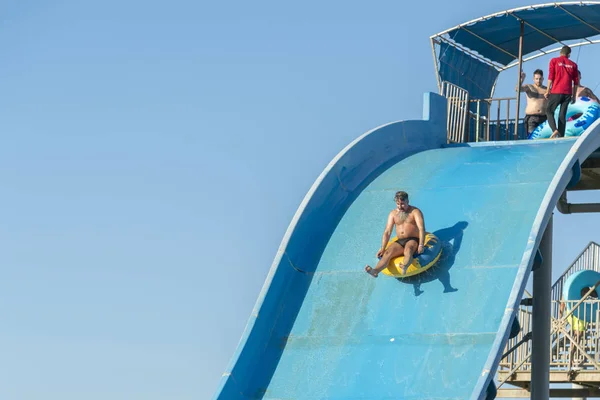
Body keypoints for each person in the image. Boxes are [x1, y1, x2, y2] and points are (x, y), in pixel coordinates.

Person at [365, 191, 425, 277]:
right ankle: (375, 271)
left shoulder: (415, 212)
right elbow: (387, 232)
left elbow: (421, 228)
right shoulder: (393, 214)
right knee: (387, 253)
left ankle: (404, 266)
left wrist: (421, 245)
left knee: (408, 250)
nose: (400, 207)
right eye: (398, 204)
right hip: (400, 241)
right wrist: (383, 248)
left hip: (413, 239)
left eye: (402, 204)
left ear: (408, 201)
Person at [559, 287, 598, 371]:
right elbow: (562, 303)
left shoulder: (570, 289)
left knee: (577, 335)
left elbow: (562, 303)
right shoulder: (573, 289)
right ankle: (572, 355)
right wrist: (561, 318)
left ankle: (573, 354)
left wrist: (561, 317)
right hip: (577, 314)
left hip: (575, 313)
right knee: (578, 336)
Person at [545, 45, 580, 139]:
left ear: (560, 52)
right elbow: (576, 82)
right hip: (567, 93)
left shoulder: (554, 61)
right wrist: (574, 96)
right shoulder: (573, 65)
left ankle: (554, 130)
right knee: (562, 115)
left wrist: (547, 90)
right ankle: (561, 137)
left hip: (556, 91)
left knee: (549, 111)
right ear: (569, 55)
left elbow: (550, 77)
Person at [516, 69, 548, 135]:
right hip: (531, 118)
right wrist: (521, 79)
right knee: (532, 136)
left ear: (543, 79)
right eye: (536, 79)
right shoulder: (529, 87)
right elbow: (517, 89)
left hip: (543, 117)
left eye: (540, 79)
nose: (538, 80)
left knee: (544, 137)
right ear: (533, 79)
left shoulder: (546, 89)